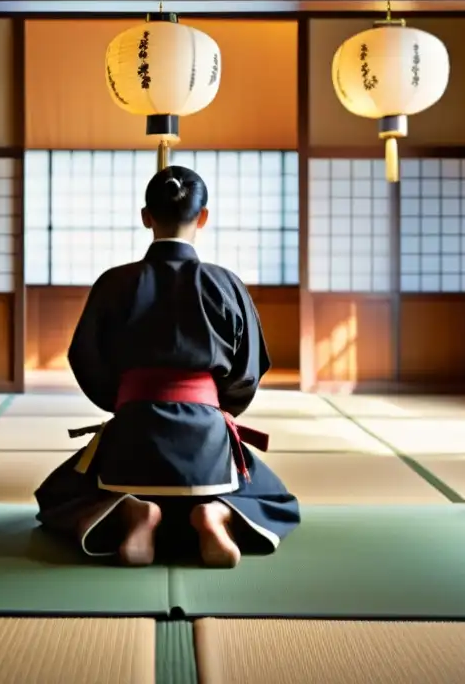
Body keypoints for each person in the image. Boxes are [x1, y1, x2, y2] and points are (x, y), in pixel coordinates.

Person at [34, 165, 301, 568]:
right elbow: (249, 368)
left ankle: (132, 511)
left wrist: (124, 404)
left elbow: (84, 358)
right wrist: (218, 409)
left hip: (131, 433)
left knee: (58, 496)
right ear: (204, 217)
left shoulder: (113, 283)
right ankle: (217, 512)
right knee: (275, 500)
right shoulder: (225, 283)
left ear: (146, 216)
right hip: (206, 439)